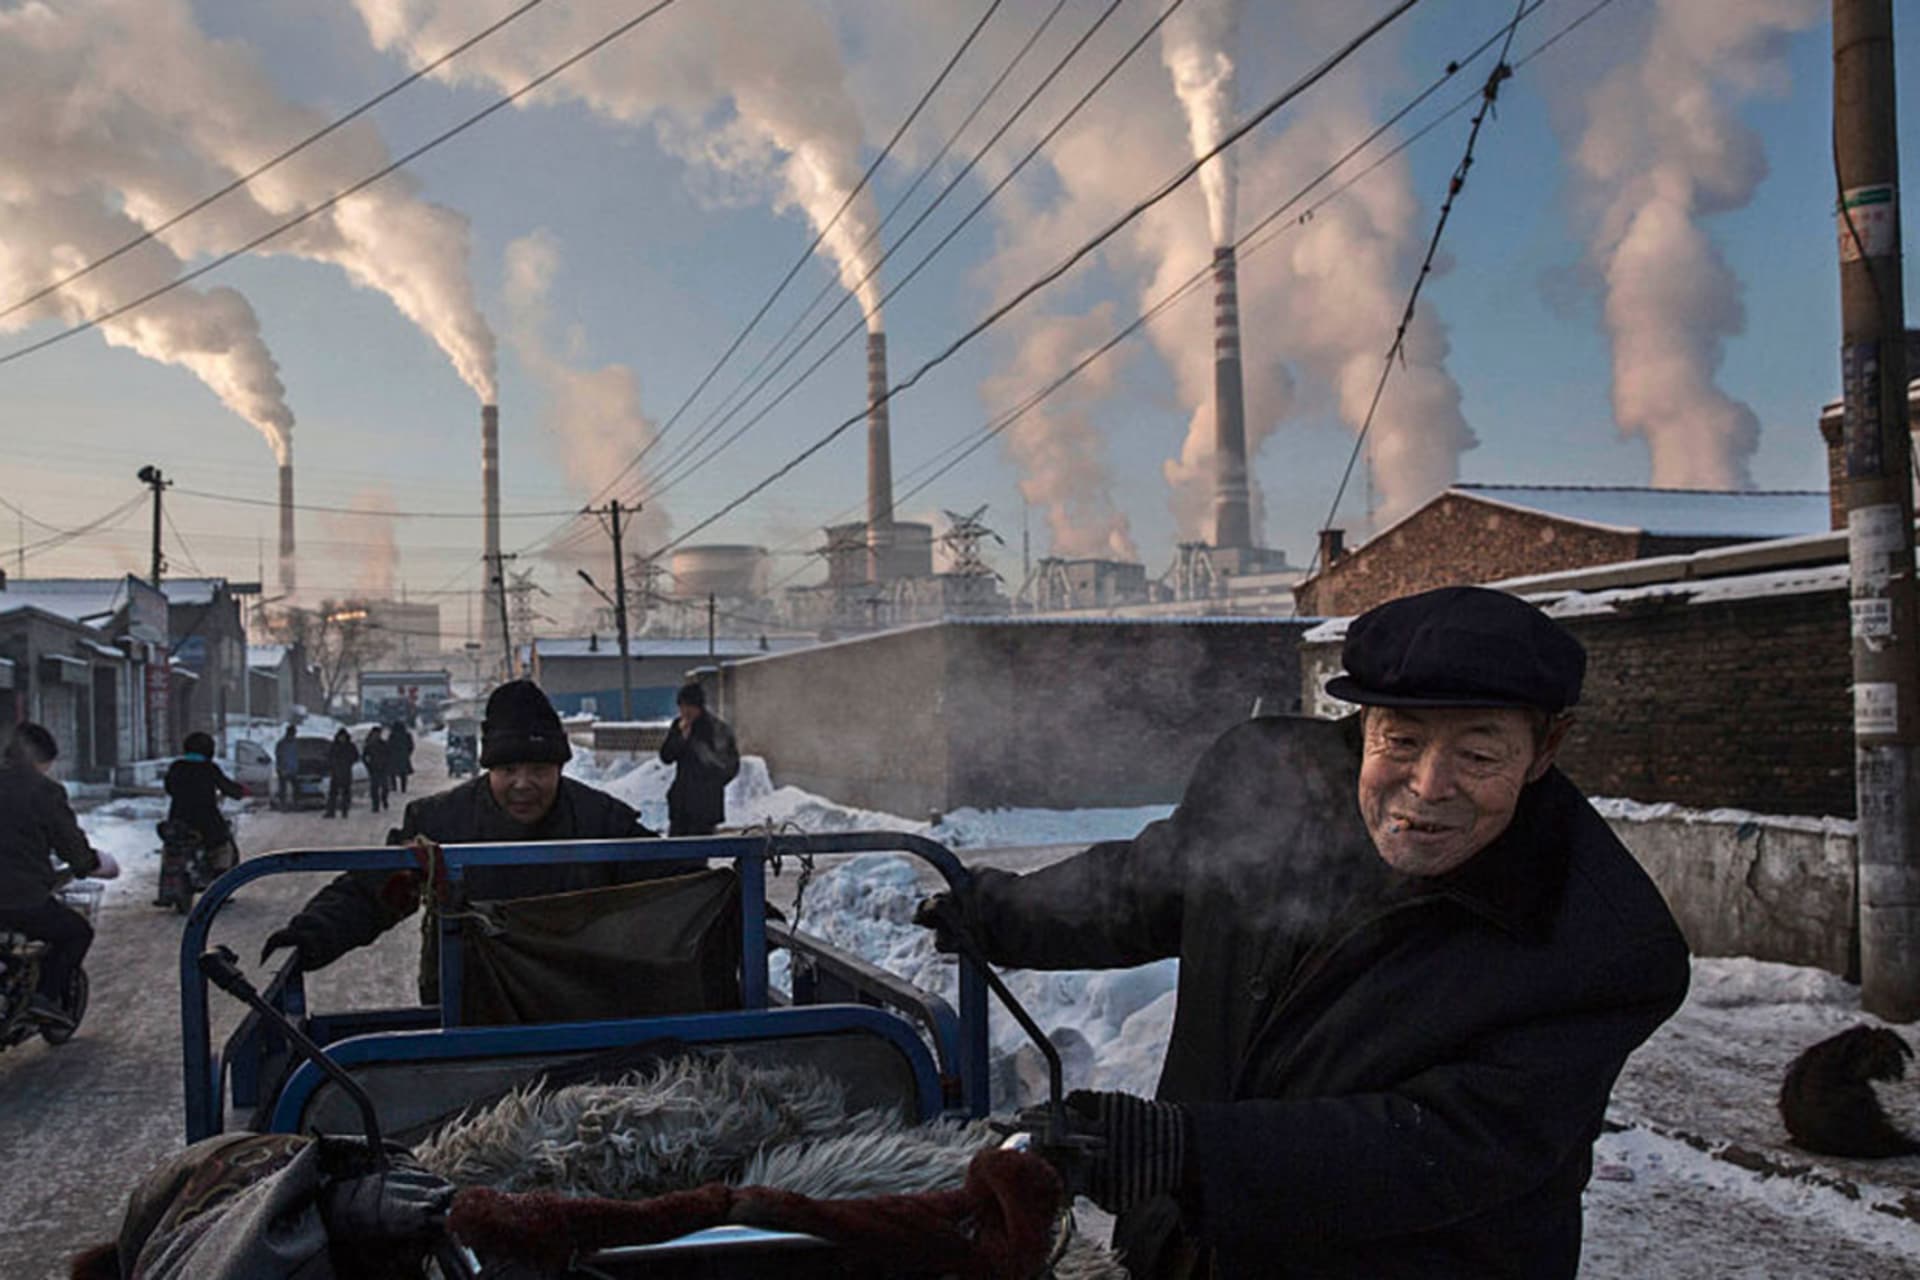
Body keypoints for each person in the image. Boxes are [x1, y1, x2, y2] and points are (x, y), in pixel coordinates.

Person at [916, 587, 1692, 1278]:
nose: (1428, 786)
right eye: (1402, 740)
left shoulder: (1602, 946)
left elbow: (1443, 1147)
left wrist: (1184, 1151)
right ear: (1363, 724)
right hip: (1186, 1250)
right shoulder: (1276, 785)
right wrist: (994, 914)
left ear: (1545, 748)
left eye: (1479, 753)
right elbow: (1149, 886)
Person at [264, 679, 704, 1002]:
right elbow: (374, 891)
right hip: (471, 1015)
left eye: (539, 769)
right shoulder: (439, 824)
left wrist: (732, 896)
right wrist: (310, 935)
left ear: (560, 767)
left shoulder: (603, 822)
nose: (523, 784)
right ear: (489, 769)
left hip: (577, 1009)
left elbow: (676, 880)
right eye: (508, 770)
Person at [0, 723, 119, 1029]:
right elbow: (70, 844)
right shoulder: (43, 791)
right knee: (76, 932)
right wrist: (88, 863)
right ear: (41, 759)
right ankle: (44, 997)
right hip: (20, 899)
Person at [658, 682, 739, 837]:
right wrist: (682, 738)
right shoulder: (678, 726)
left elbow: (731, 765)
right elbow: (666, 756)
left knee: (700, 846)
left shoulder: (716, 729)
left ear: (698, 707)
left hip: (705, 806)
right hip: (681, 803)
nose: (685, 712)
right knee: (676, 847)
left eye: (689, 707)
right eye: (682, 707)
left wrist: (712, 785)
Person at [164, 731, 247, 875]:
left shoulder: (176, 767)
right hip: (206, 821)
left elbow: (169, 788)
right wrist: (241, 791)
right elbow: (228, 787)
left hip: (178, 820)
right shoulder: (209, 768)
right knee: (222, 845)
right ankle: (220, 880)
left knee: (171, 847)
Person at [323, 728, 358, 819]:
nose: (342, 738)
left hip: (346, 773)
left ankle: (344, 811)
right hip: (335, 772)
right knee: (333, 794)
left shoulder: (350, 746)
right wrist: (332, 765)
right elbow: (329, 757)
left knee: (345, 794)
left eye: (343, 737)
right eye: (340, 737)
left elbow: (355, 756)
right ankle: (331, 811)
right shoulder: (334, 746)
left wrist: (348, 762)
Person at [362, 725, 390, 815]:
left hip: (383, 768)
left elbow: (389, 754)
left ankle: (384, 799)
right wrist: (368, 766)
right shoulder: (368, 745)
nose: (377, 735)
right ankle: (375, 805)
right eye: (375, 734)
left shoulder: (383, 744)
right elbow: (364, 757)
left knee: (385, 787)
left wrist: (387, 764)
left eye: (378, 734)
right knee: (374, 788)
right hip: (374, 769)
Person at [273, 724, 300, 810]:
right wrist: (281, 769)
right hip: (283, 769)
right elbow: (278, 756)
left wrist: (296, 767)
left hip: (293, 769)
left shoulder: (295, 743)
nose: (294, 735)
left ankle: (295, 804)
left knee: (296, 787)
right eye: (293, 733)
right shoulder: (281, 743)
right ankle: (283, 805)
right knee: (283, 789)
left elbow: (296, 756)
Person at [387, 720, 415, 795]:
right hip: (403, 757)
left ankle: (394, 787)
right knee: (403, 774)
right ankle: (403, 788)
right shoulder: (407, 735)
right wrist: (407, 754)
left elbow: (388, 746)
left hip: (393, 757)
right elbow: (411, 746)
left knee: (392, 773)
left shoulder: (392, 735)